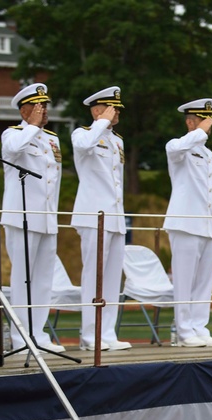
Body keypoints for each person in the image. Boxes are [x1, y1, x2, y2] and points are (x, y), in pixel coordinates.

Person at [0, 83, 65, 354]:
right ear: (25, 111)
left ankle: (38, 334)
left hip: (47, 217)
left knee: (43, 280)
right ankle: (21, 338)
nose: (44, 111)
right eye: (39, 107)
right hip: (22, 216)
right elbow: (13, 151)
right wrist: (32, 126)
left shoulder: (52, 139)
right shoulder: (12, 134)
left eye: (46, 106)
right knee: (22, 279)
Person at [71, 86, 131, 352]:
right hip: (93, 215)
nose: (116, 112)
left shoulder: (117, 141)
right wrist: (102, 121)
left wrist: (106, 124)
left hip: (115, 216)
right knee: (92, 276)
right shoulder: (83, 134)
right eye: (110, 108)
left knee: (111, 277)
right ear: (97, 110)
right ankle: (89, 334)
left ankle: (107, 332)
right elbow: (85, 145)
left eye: (116, 109)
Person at [162, 98, 212, 348]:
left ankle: (200, 326)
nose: (208, 126)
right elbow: (177, 149)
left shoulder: (209, 154)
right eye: (203, 120)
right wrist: (199, 132)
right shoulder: (178, 147)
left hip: (207, 225)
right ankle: (184, 329)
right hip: (185, 223)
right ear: (190, 122)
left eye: (209, 121)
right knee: (184, 280)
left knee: (203, 282)